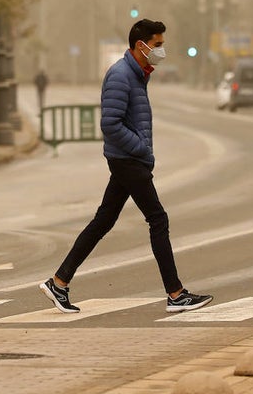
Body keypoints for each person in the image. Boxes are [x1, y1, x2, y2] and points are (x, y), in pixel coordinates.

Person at [39, 18, 213, 314]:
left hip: (128, 159)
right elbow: (110, 123)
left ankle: (59, 282)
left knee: (103, 221)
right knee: (158, 219)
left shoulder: (136, 75)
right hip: (127, 159)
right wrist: (141, 149)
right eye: (157, 45)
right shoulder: (121, 76)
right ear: (140, 45)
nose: (161, 50)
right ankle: (175, 293)